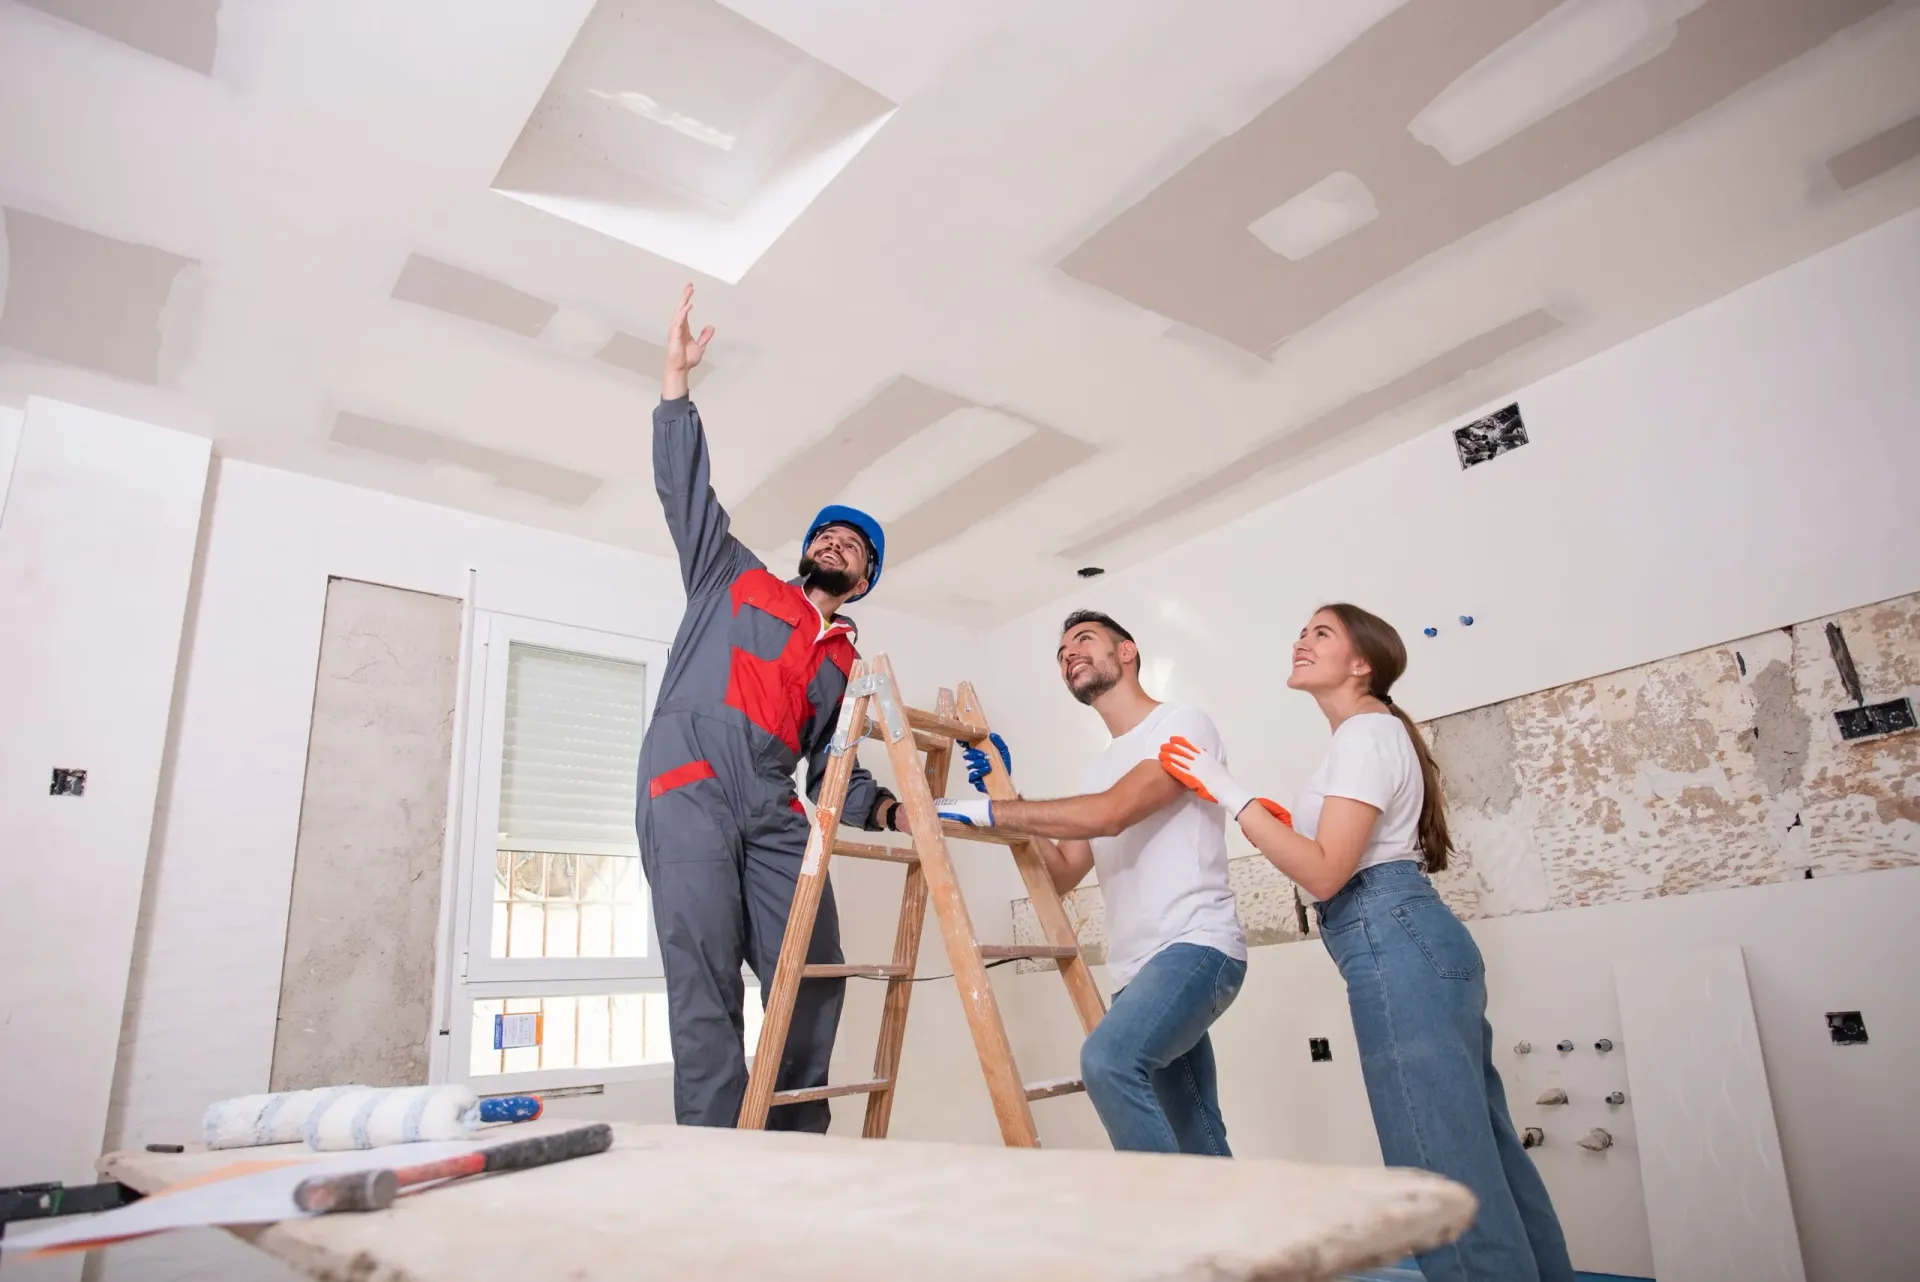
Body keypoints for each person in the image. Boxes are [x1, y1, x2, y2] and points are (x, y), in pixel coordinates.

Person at [1157, 602, 1575, 1282]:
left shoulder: (1364, 736)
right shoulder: (1371, 738)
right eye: (1300, 630)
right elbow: (1333, 856)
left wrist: (1229, 792)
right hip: (1412, 938)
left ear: (1363, 663)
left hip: (1393, 939)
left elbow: (1325, 872)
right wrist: (1279, 819)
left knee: (1436, 1168)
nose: (1300, 641)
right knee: (1482, 1152)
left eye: (1320, 633)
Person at [636, 285, 913, 1133]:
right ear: (807, 554)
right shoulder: (735, 576)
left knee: (814, 972)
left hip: (772, 801)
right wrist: (676, 390)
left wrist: (890, 806)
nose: (836, 544)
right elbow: (687, 489)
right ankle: (720, 1169)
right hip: (688, 781)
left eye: (854, 546)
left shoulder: (846, 663)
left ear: (863, 579)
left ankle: (797, 1153)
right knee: (705, 981)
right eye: (827, 535)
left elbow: (835, 766)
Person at [935, 610, 1247, 1155]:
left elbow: (1111, 814)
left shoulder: (1182, 725)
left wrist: (996, 811)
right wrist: (1009, 797)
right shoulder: (1098, 769)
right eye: (1061, 654)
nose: (1069, 655)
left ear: (1126, 652)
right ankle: (1240, 1238)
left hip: (1195, 947)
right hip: (1134, 969)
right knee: (1195, 1135)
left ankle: (1153, 1223)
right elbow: (1060, 873)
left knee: (1108, 1060)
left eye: (1083, 641)